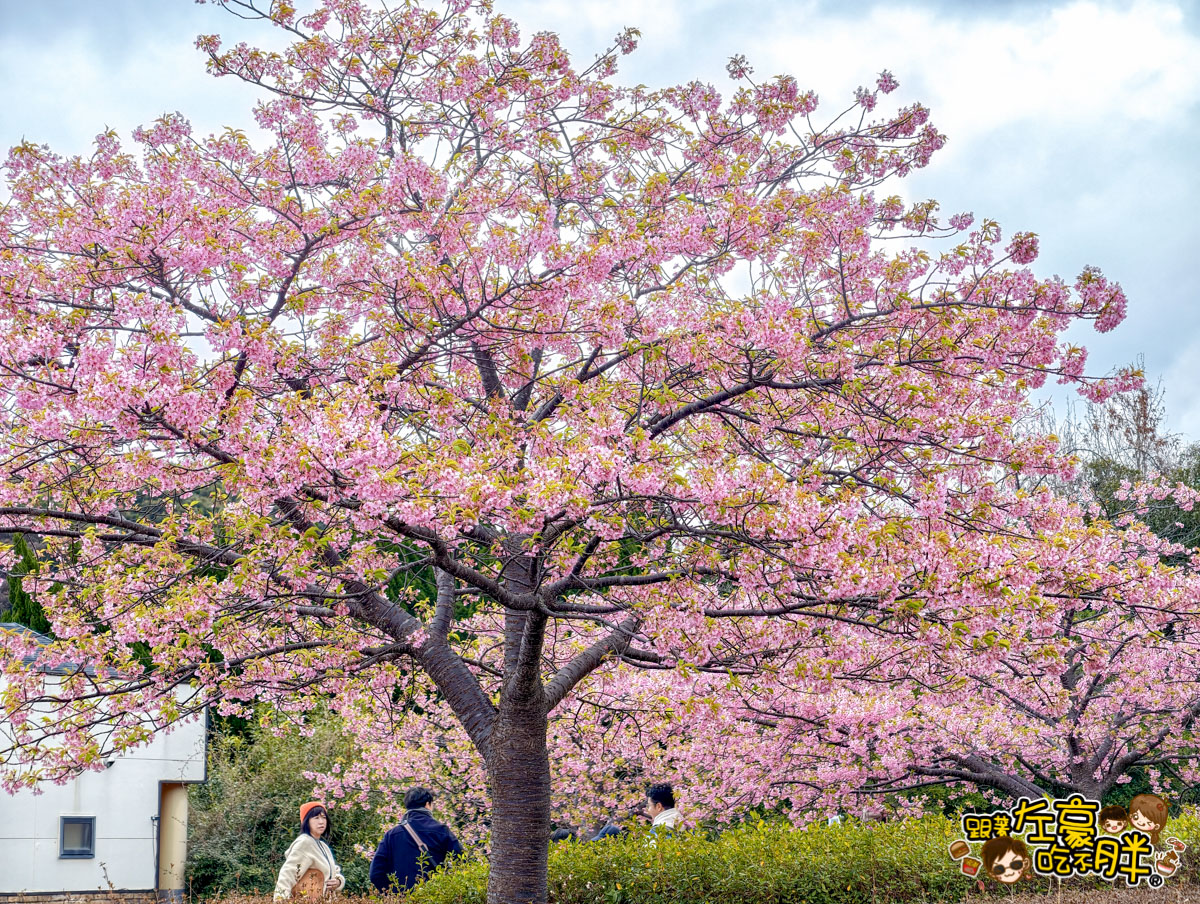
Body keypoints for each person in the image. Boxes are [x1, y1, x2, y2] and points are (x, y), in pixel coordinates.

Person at [369, 786, 464, 892]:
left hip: (401, 898)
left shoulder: (391, 835)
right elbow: (462, 862)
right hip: (434, 896)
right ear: (428, 804)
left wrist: (392, 894)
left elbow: (375, 873)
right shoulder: (442, 831)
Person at [273, 801, 346, 900]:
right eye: (316, 818)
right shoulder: (304, 843)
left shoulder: (323, 845)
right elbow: (287, 875)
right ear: (306, 821)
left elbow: (333, 870)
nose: (321, 821)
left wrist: (338, 882)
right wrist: (280, 900)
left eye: (323, 817)